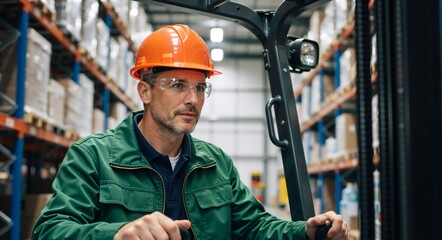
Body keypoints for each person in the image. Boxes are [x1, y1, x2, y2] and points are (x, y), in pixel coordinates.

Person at [32, 24, 349, 240]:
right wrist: (116, 233)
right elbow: (50, 230)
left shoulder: (215, 163)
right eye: (177, 85)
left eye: (200, 87)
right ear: (145, 90)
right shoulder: (93, 156)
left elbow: (255, 226)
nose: (192, 99)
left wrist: (303, 232)